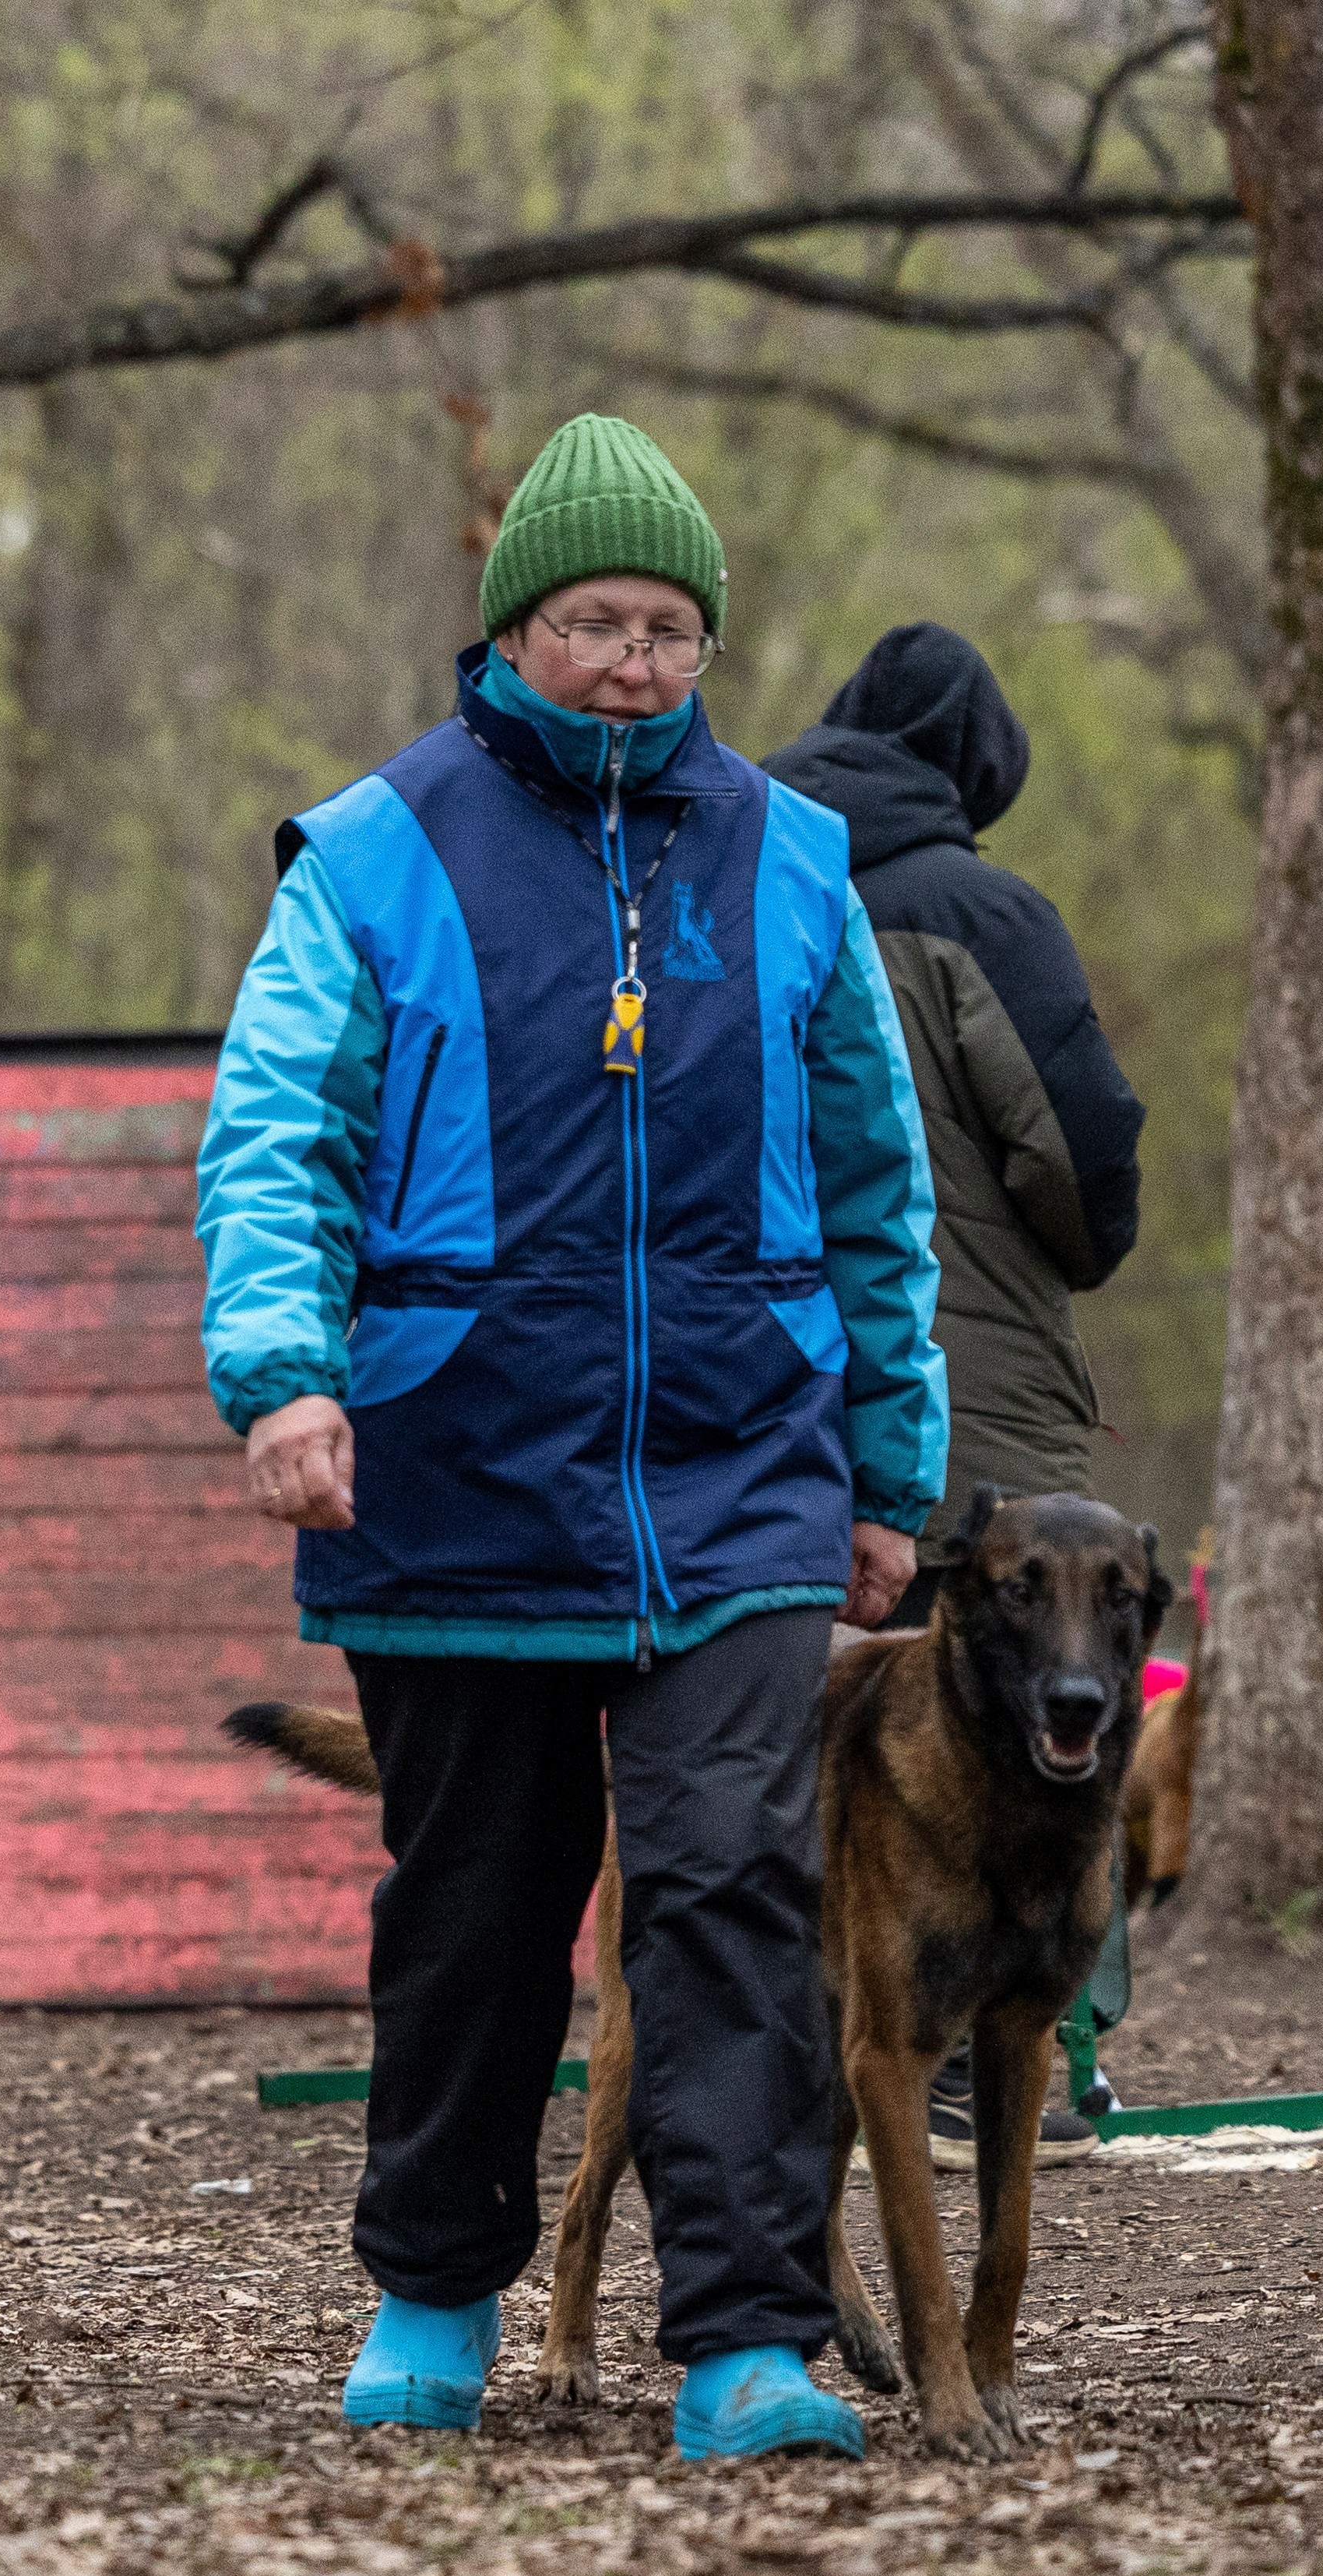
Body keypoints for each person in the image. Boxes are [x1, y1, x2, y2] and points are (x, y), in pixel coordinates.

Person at [196, 417, 947, 2462]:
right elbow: (280, 1129)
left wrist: (891, 1469)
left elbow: (879, 1175)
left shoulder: (792, 861)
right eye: (597, 620)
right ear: (514, 625)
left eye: (671, 628)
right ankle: (437, 2287)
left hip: (741, 1464)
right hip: (455, 1460)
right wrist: (280, 1370)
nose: (634, 659)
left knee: (728, 1886)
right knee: (478, 1898)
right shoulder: (374, 852)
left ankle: (746, 2341)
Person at [765, 623, 1144, 2165]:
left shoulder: (748, 877)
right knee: (1042, 1710)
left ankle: (804, 2051)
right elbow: (1086, 1170)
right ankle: (1015, 2063)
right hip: (977, 1416)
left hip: (771, 1403)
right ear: (978, 774)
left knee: (800, 1732)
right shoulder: (984, 911)